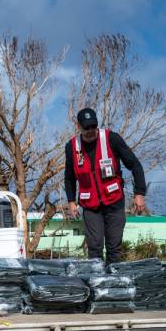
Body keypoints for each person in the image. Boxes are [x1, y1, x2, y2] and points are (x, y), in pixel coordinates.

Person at [65, 107, 147, 264]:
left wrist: (139, 194)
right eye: (86, 127)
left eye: (93, 126)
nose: (90, 131)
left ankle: (114, 285)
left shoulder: (111, 139)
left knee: (114, 248)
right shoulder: (72, 147)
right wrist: (71, 201)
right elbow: (69, 177)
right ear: (78, 127)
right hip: (90, 206)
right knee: (94, 248)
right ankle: (97, 285)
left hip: (114, 202)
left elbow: (135, 165)